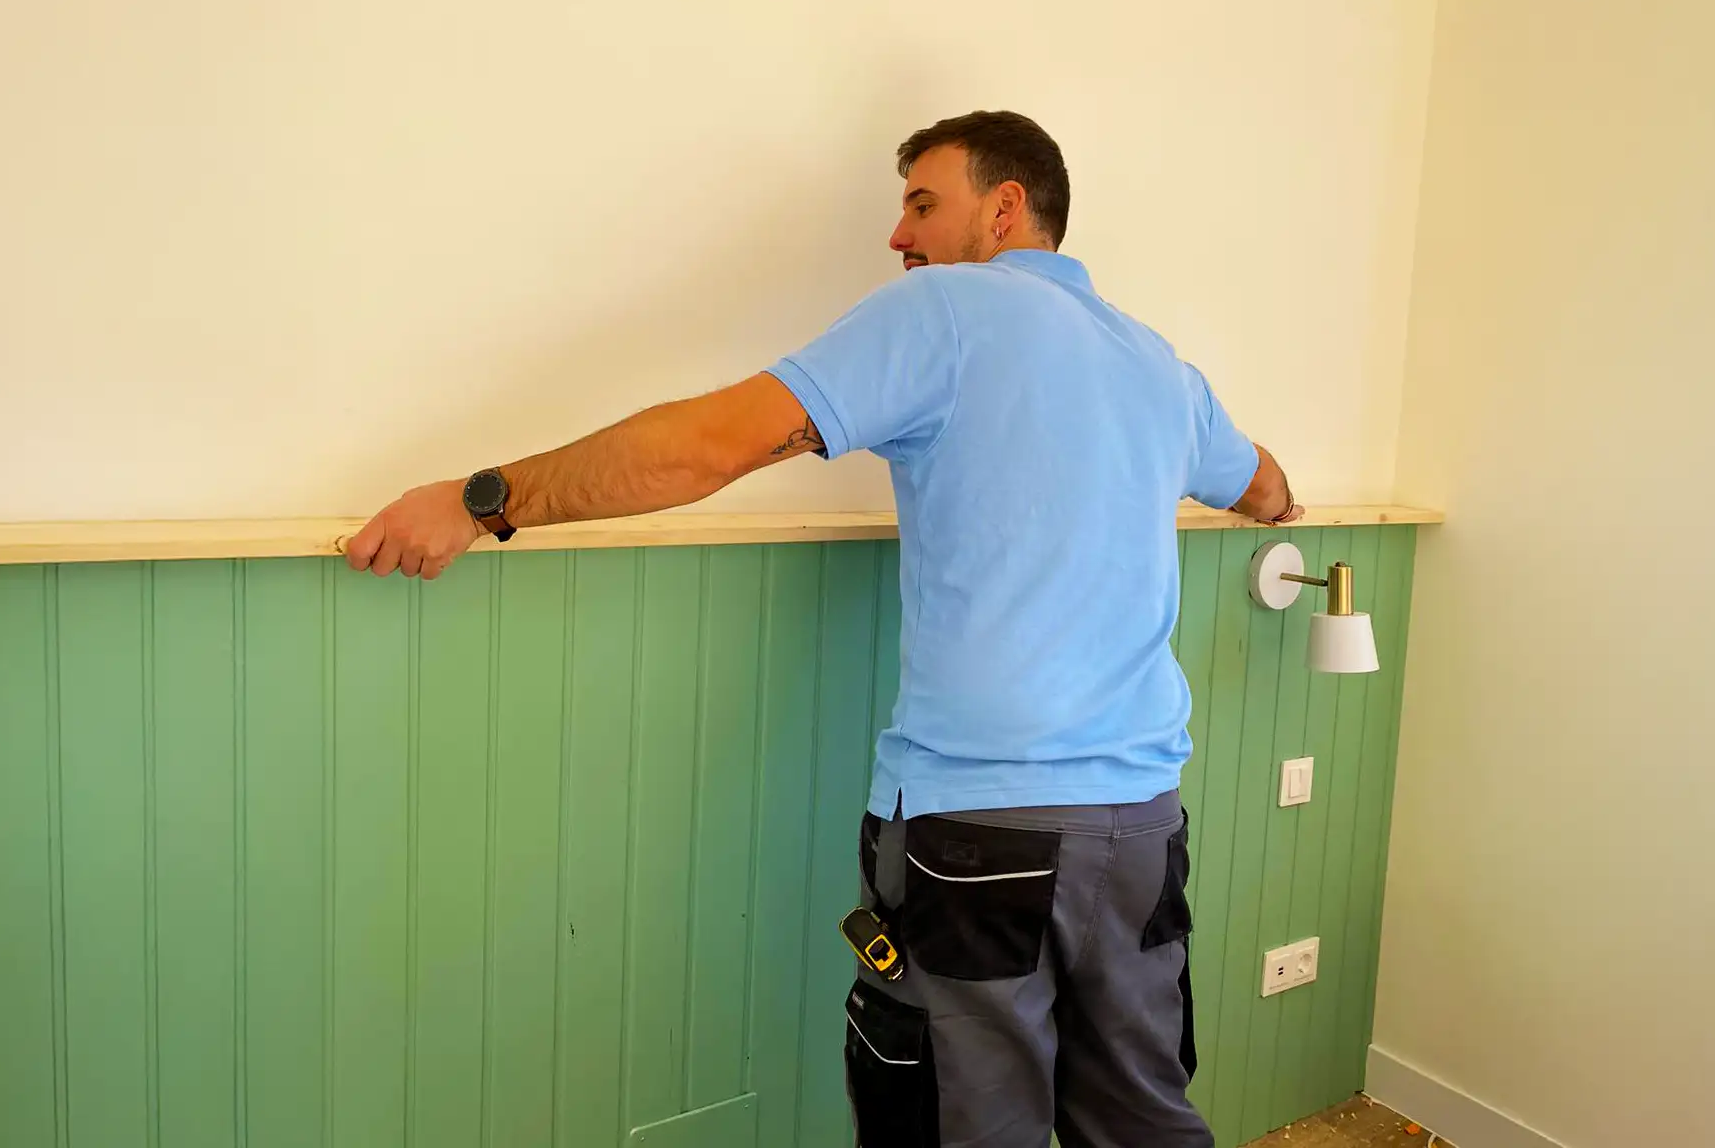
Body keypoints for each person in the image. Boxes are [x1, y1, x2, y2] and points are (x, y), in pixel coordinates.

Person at [347, 110, 1301, 1148]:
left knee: (962, 1130)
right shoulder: (1158, 364)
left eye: (922, 204)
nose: (899, 235)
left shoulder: (945, 311)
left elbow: (710, 446)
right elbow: (1261, 483)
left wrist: (483, 499)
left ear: (1005, 207)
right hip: (1141, 829)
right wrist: (1278, 510)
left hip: (981, 836)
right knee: (1144, 1117)